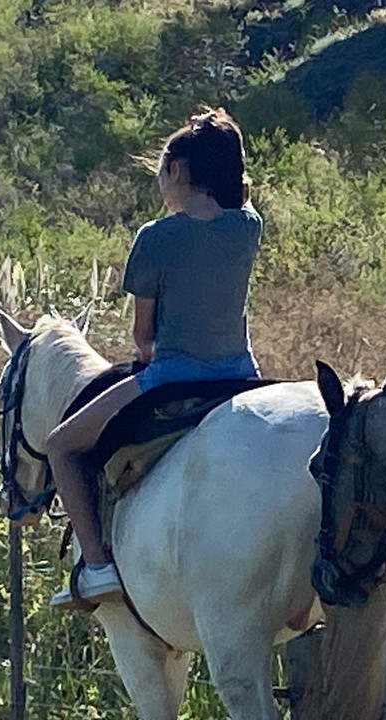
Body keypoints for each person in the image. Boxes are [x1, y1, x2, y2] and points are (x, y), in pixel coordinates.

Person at [47, 109, 263, 610]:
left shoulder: (154, 239)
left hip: (171, 375)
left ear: (180, 172)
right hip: (241, 374)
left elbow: (143, 338)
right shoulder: (248, 226)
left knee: (61, 446)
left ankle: (98, 565)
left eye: (163, 170)